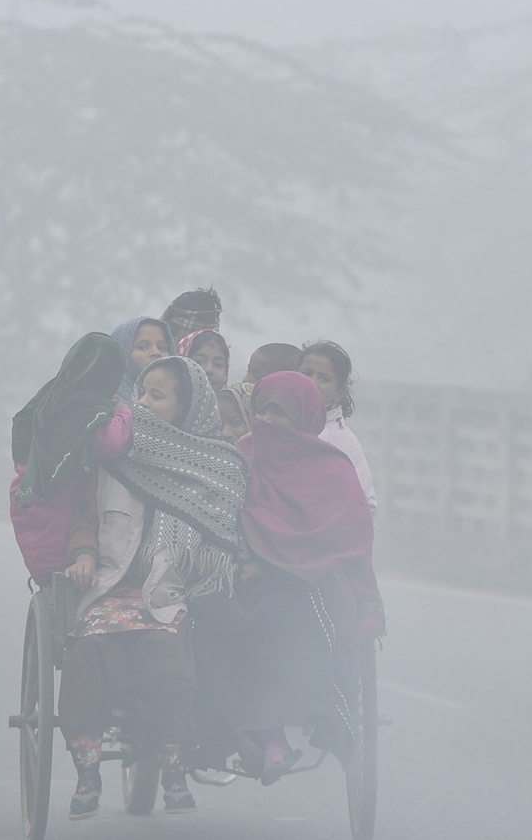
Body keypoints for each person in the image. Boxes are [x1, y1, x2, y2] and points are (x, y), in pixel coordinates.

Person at [58, 356, 249, 819]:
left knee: (169, 659)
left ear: (186, 408)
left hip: (168, 594)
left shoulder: (215, 466)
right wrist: (83, 554)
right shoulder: (112, 456)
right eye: (141, 393)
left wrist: (202, 562)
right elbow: (85, 518)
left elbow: (222, 537)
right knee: (86, 654)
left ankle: (173, 771)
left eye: (156, 396)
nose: (142, 403)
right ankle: (87, 773)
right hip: (111, 589)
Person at [197, 372, 383, 784]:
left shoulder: (332, 467)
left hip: (302, 582)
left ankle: (324, 717)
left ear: (304, 415)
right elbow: (217, 517)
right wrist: (243, 561)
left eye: (278, 412)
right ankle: (243, 734)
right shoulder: (240, 458)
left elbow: (348, 529)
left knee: (288, 616)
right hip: (241, 575)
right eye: (261, 410)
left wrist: (288, 562)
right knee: (210, 616)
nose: (267, 419)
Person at [8, 333, 132, 584]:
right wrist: (124, 413)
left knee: (48, 564)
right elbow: (112, 442)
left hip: (30, 493)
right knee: (63, 567)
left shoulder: (51, 398)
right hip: (58, 499)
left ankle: (51, 583)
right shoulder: (85, 408)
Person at [300, 340, 376, 516]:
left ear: (339, 392)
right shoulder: (278, 420)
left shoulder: (340, 440)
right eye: (306, 373)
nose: (312, 382)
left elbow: (366, 504)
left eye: (324, 378)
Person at [110, 317, 174, 405]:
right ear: (123, 351)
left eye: (162, 347)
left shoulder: (182, 402)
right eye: (143, 347)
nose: (156, 352)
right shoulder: (105, 401)